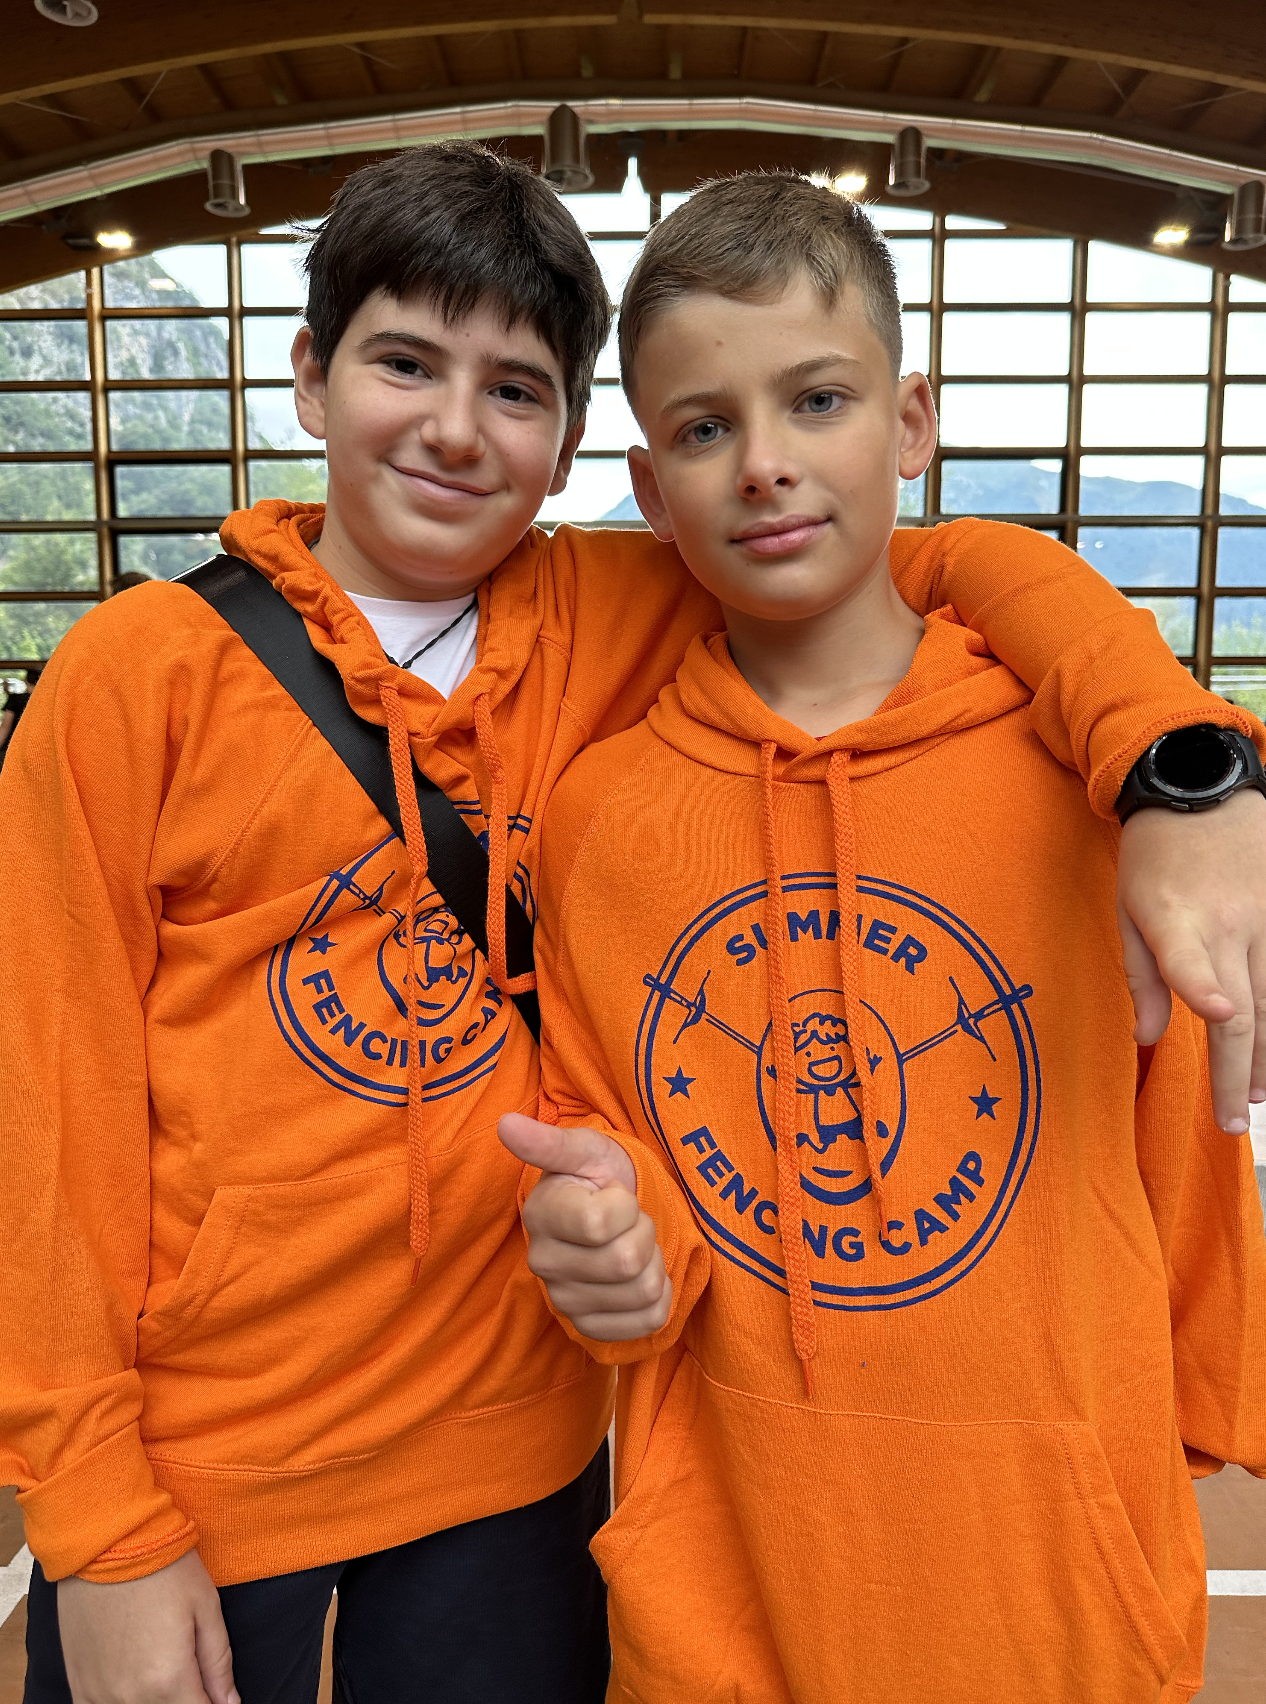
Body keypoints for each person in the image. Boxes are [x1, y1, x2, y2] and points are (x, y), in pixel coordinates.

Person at [0, 142, 1263, 1704]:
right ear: (312, 379)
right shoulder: (137, 678)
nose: (454, 428)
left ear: (569, 447)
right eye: (405, 365)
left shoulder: (613, 607)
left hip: (514, 1470)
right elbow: (43, 1113)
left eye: (514, 390)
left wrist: (1181, 768)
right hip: (212, 1467)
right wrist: (96, 1525)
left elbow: (933, 562)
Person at [503, 174, 1266, 1703]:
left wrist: (1171, 1424)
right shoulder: (597, 820)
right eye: (703, 429)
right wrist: (607, 1243)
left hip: (1054, 1596)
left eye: (817, 399)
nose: (764, 464)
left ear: (909, 423)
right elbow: (616, 1140)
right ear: (647, 490)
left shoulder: (1086, 780)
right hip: (727, 1602)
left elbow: (1179, 1150)